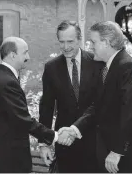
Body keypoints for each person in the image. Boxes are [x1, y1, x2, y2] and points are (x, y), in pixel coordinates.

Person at [61, 21, 132, 173]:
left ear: (106, 42)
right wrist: (74, 129)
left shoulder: (128, 67)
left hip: (124, 157)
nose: (90, 47)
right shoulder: (108, 68)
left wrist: (117, 151)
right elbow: (97, 107)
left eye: (93, 42)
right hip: (109, 154)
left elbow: (130, 114)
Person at [0, 37, 72, 173]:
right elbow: (22, 120)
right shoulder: (6, 81)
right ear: (13, 55)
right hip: (10, 159)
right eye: (25, 52)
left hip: (5, 155)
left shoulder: (0, 76)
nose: (28, 57)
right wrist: (54, 136)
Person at [38, 20, 103, 173]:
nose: (65, 47)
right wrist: (44, 143)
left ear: (80, 39)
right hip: (65, 143)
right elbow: (46, 107)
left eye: (70, 41)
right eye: (62, 42)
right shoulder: (51, 67)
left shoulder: (98, 63)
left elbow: (101, 103)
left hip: (94, 142)